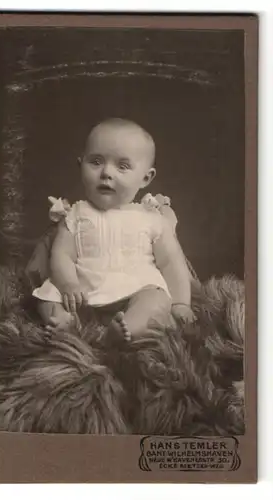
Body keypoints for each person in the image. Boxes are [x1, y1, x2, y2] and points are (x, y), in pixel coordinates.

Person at [32, 118, 195, 344]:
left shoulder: (152, 218)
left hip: (134, 287)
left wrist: (181, 304)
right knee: (47, 296)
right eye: (96, 162)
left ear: (146, 177)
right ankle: (65, 322)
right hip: (82, 289)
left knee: (156, 299)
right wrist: (68, 283)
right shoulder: (75, 213)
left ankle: (127, 328)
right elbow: (61, 255)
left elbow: (171, 262)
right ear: (80, 165)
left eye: (122, 166)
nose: (106, 172)